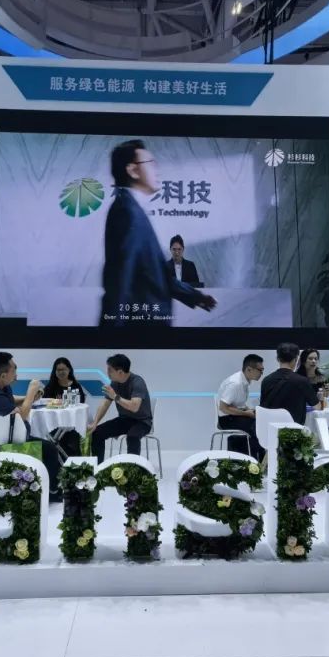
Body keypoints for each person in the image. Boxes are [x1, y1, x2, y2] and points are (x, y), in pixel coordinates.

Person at [100, 140, 216, 327]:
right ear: (133, 171)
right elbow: (119, 280)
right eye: (151, 164)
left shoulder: (133, 209)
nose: (158, 170)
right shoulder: (126, 212)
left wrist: (195, 296)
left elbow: (157, 274)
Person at [0, 351, 62, 498]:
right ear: (2, 375)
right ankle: (52, 492)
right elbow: (22, 417)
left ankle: (44, 489)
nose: (16, 374)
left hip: (9, 435)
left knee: (48, 447)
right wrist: (31, 392)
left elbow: (9, 400)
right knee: (50, 449)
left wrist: (29, 398)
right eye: (14, 370)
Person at [88, 354, 153, 463]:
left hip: (142, 422)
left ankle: (132, 468)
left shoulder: (137, 382)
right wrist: (95, 423)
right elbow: (105, 403)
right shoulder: (115, 383)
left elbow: (134, 407)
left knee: (132, 436)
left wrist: (115, 396)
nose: (107, 373)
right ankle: (98, 467)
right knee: (97, 433)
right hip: (124, 420)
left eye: (110, 370)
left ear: (120, 372)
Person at [260, 342, 324, 426]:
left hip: (270, 428)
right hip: (293, 430)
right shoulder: (302, 381)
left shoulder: (266, 380)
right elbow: (318, 407)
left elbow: (263, 407)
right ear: (296, 359)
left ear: (278, 359)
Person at [217, 354, 265, 460]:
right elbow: (223, 407)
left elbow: (239, 404)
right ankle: (254, 460)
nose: (261, 374)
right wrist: (246, 413)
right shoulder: (235, 383)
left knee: (260, 423)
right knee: (255, 427)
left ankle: (258, 458)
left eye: (262, 370)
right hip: (226, 419)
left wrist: (249, 410)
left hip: (234, 416)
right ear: (249, 369)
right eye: (260, 370)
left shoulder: (244, 382)